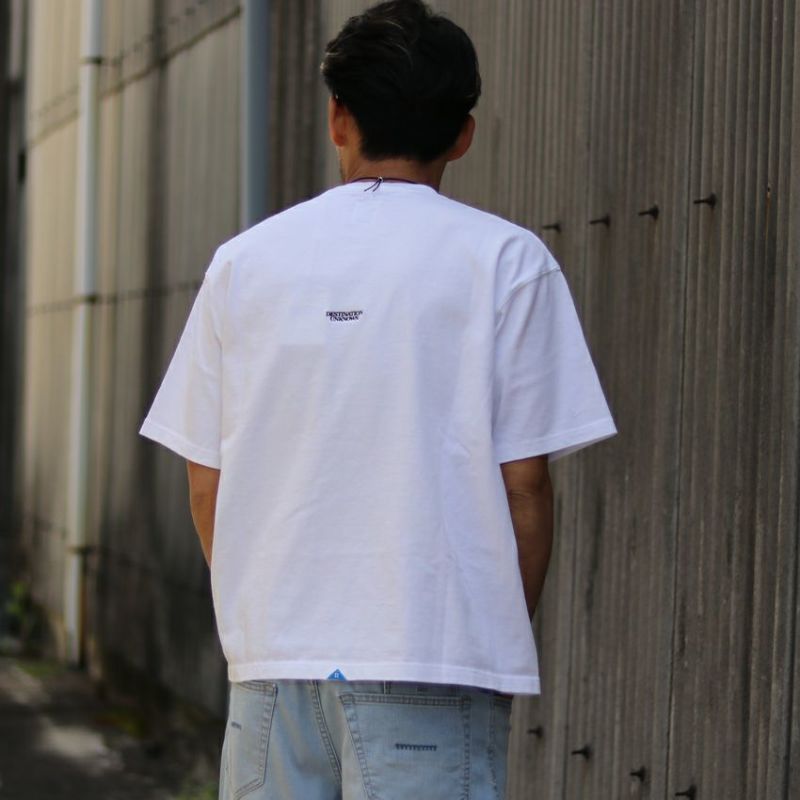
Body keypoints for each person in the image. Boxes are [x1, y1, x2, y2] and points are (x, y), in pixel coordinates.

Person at [139, 1, 618, 797]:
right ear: (462, 134)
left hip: (272, 664)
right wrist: (487, 626)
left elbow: (206, 476)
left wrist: (270, 607)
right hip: (432, 651)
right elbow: (525, 486)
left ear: (339, 118)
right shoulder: (507, 262)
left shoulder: (244, 265)